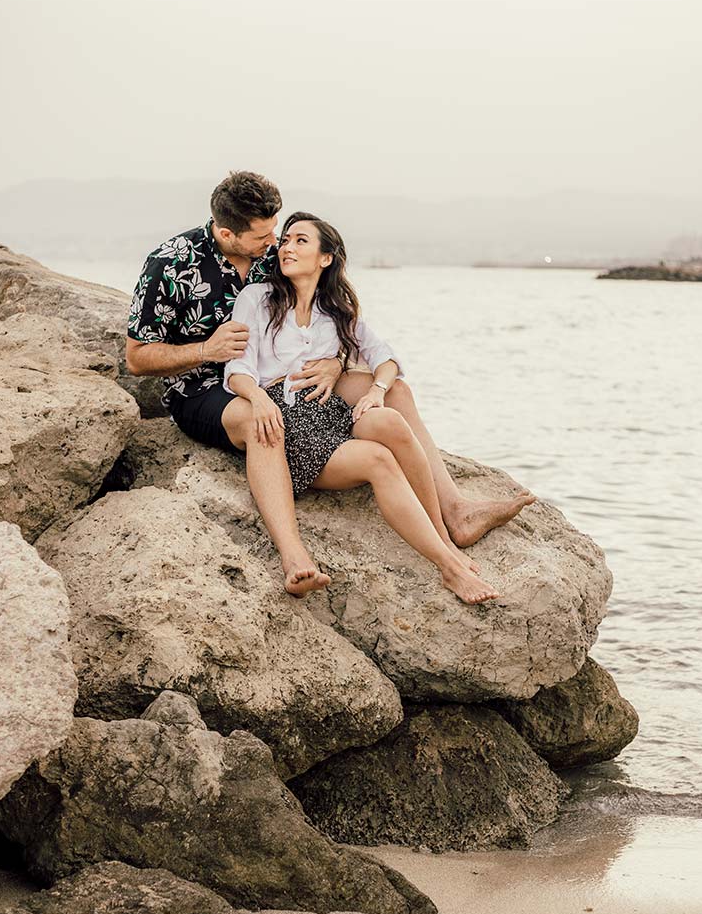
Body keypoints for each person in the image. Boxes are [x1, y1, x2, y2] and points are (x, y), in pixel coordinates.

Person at [126, 170, 535, 598]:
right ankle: (295, 557)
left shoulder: (276, 258)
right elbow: (136, 358)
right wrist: (205, 351)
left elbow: (334, 332)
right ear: (226, 232)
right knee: (259, 419)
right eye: (265, 239)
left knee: (395, 393)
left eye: (280, 235)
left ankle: (453, 510)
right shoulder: (171, 263)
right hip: (205, 386)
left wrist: (336, 366)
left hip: (293, 385)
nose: (276, 245)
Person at [225, 213, 501, 605]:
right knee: (377, 459)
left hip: (330, 415)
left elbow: (385, 358)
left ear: (325, 257)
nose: (287, 247)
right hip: (287, 421)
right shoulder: (257, 299)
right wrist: (258, 398)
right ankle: (449, 566)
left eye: (301, 241)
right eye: (285, 240)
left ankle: (445, 533)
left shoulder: (335, 310)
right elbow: (237, 370)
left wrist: (376, 391)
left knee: (387, 416)